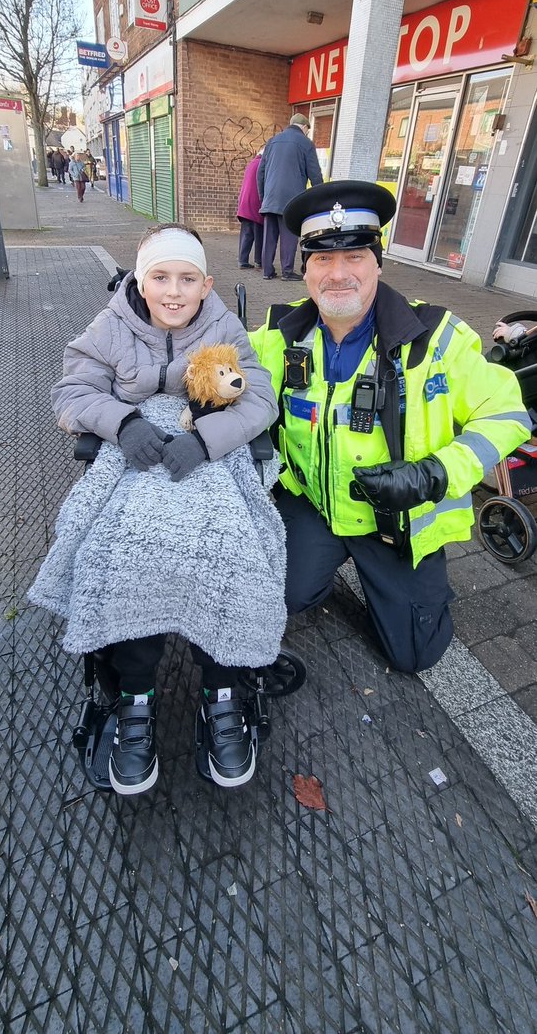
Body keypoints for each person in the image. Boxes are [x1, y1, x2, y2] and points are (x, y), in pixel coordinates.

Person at [250, 180, 532, 674]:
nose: (338, 274)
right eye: (321, 259)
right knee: (280, 598)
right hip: (315, 507)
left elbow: (508, 412)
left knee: (415, 655)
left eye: (355, 256)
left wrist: (435, 474)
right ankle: (322, 560)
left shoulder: (436, 338)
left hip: (394, 526)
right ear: (305, 268)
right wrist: (155, 302)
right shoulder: (277, 334)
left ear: (378, 262)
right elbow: (209, 366)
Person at [49, 226, 279, 795]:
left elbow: (259, 398)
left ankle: (222, 690)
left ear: (207, 285)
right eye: (159, 277)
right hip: (134, 456)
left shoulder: (224, 326)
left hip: (206, 450)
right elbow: (72, 394)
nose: (172, 292)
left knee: (232, 550)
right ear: (139, 279)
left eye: (186, 279)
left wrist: (205, 440)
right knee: (120, 554)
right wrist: (122, 423)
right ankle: (135, 696)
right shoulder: (109, 328)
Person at [257, 113, 323, 282]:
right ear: (304, 127)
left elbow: (260, 173)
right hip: (291, 200)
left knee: (269, 237)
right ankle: (287, 271)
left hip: (270, 198)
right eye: (307, 129)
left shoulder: (272, 141)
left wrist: (264, 197)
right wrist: (320, 200)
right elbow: (315, 175)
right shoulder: (306, 143)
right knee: (289, 237)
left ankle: (267, 271)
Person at [237, 150, 264, 270]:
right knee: (259, 234)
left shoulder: (251, 163)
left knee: (246, 234)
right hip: (255, 203)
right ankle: (258, 260)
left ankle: (243, 260)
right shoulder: (262, 165)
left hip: (244, 204)